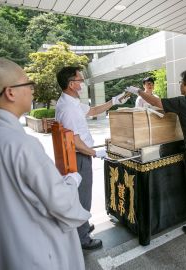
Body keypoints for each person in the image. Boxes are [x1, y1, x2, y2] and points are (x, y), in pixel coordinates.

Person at [0, 57, 90, 270]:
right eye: (27, 84)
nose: (32, 89)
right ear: (10, 92)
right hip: (31, 249)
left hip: (3, 241)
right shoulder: (23, 145)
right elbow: (63, 204)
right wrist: (72, 179)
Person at [125, 70, 186, 241]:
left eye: (181, 82)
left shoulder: (183, 101)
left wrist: (138, 91)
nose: (179, 85)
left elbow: (156, 102)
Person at [55, 66, 129, 250]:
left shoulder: (71, 102)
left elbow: (93, 111)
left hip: (80, 155)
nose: (82, 83)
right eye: (80, 80)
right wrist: (96, 153)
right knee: (83, 198)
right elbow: (76, 142)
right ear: (72, 84)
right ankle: (83, 238)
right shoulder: (68, 109)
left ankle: (83, 226)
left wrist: (114, 100)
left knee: (80, 195)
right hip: (78, 157)